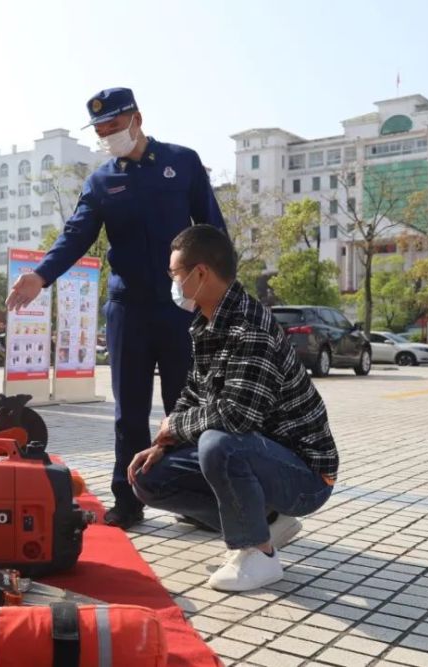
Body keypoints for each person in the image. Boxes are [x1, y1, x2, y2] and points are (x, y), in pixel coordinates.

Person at [6, 87, 226, 529]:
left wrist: (215, 293)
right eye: (101, 131)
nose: (107, 136)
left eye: (113, 127)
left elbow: (212, 230)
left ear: (137, 119)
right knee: (129, 412)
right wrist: (41, 275)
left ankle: (193, 499)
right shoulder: (102, 180)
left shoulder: (182, 162)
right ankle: (128, 501)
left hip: (181, 306)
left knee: (184, 406)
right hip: (128, 309)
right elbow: (76, 235)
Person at [128, 225, 338, 592]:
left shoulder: (249, 327)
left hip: (305, 476)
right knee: (150, 477)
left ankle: (259, 553)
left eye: (175, 274)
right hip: (259, 456)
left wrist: (176, 427)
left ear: (200, 273)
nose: (173, 283)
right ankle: (268, 522)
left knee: (217, 443)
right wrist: (162, 443)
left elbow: (237, 417)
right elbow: (193, 394)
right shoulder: (208, 324)